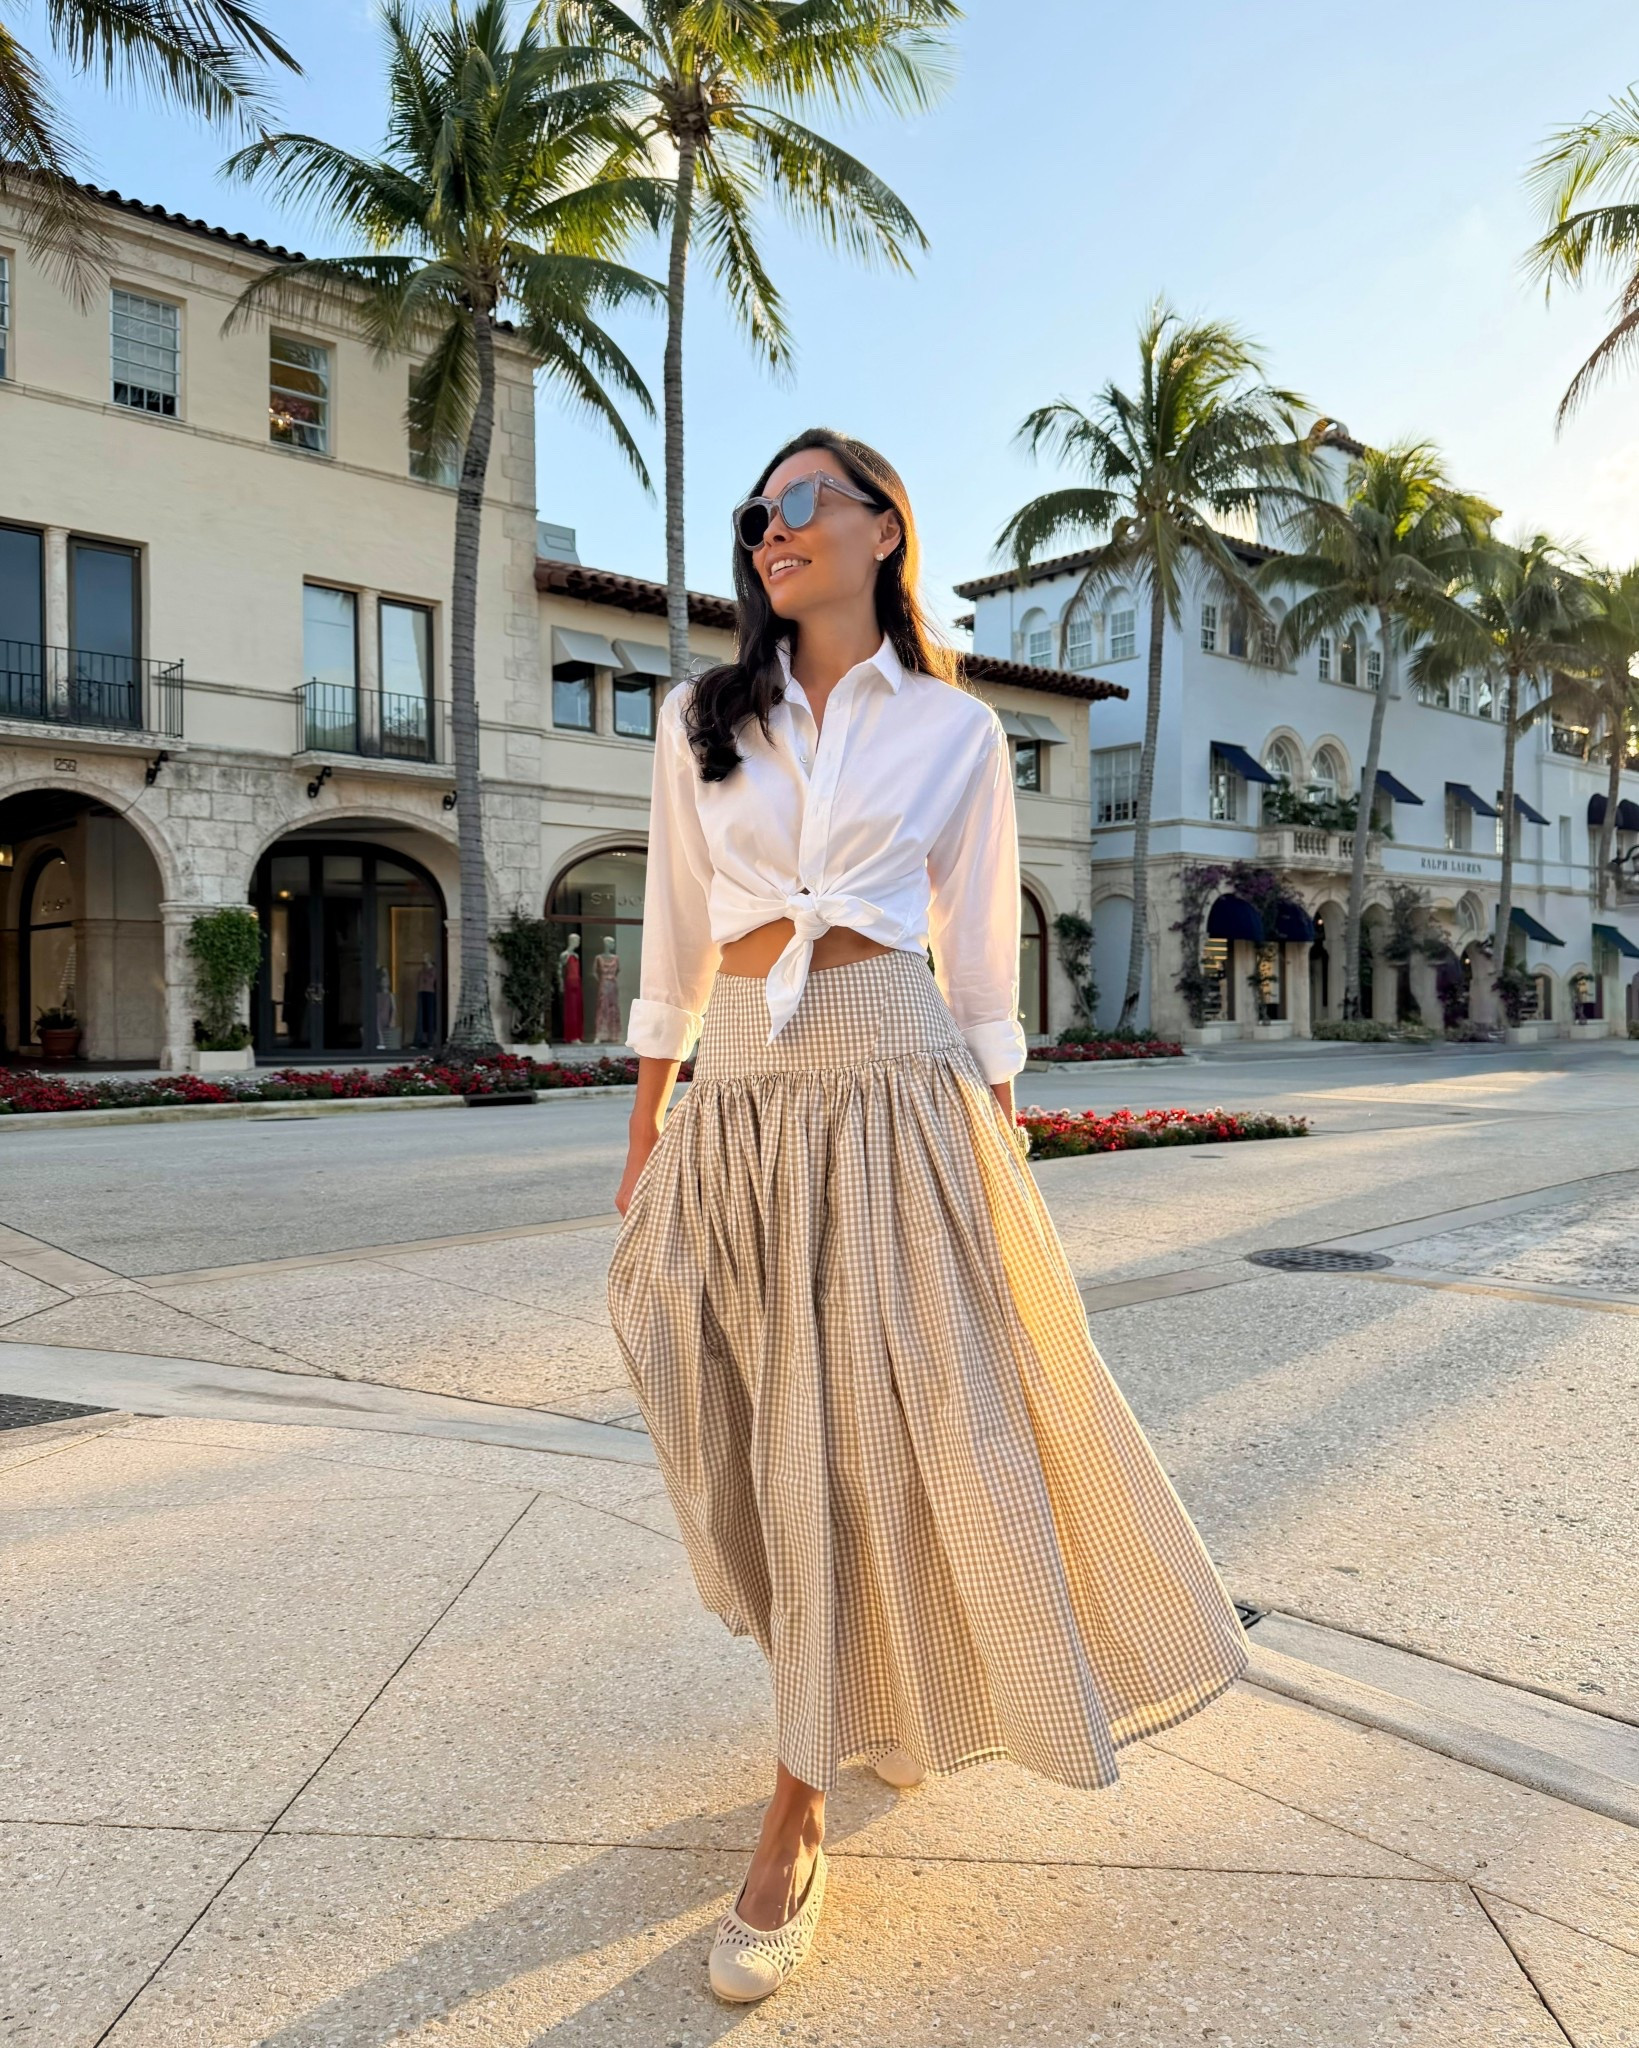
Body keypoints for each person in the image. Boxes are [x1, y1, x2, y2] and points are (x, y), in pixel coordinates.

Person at [606, 428, 1248, 2006]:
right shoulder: (705, 720)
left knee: (876, 1435)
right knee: (731, 1412)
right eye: (758, 511)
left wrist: (996, 1141)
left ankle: (797, 1807)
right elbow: (677, 939)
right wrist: (645, 1130)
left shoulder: (957, 734)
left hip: (896, 1086)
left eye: (803, 502)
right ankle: (838, 1694)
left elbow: (975, 965)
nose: (772, 528)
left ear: (885, 527)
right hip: (744, 1094)